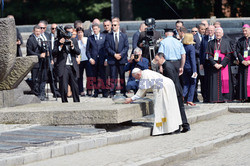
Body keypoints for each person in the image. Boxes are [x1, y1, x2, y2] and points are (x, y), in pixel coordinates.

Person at [125, 68, 182, 136]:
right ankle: (175, 127)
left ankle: (162, 129)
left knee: (161, 109)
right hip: (168, 84)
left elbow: (141, 91)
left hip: (162, 88)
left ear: (138, 74)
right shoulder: (146, 72)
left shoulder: (144, 76)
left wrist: (131, 99)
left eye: (136, 77)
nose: (137, 79)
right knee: (171, 107)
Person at [154, 53, 190, 133]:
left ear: (162, 58)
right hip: (177, 90)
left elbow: (171, 81)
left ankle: (179, 127)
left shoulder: (167, 67)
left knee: (177, 109)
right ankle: (184, 125)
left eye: (157, 60)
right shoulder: (167, 65)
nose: (157, 62)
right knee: (180, 109)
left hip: (175, 91)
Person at [53, 25, 81, 103]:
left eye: (71, 33)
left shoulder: (74, 40)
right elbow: (54, 52)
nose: (69, 34)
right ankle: (64, 102)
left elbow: (78, 52)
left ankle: (76, 101)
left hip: (72, 65)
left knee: (75, 86)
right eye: (68, 32)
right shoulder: (58, 41)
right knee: (63, 86)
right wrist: (60, 45)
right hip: (63, 66)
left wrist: (72, 46)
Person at [205, 27, 234, 102]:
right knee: (215, 82)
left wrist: (221, 64)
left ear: (222, 34)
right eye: (216, 33)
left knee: (225, 81)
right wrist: (214, 64)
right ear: (214, 33)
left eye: (219, 33)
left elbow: (228, 55)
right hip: (214, 66)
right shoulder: (210, 43)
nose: (217, 34)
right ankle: (216, 98)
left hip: (224, 66)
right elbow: (209, 55)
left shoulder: (226, 42)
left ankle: (225, 98)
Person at [105, 18, 129, 98]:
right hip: (112, 59)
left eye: (115, 25)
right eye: (112, 25)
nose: (113, 26)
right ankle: (112, 92)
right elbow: (107, 47)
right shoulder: (108, 36)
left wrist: (121, 54)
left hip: (121, 59)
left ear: (118, 25)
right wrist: (114, 54)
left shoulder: (124, 35)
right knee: (113, 76)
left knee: (122, 76)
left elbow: (126, 47)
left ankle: (123, 91)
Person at [86, 23, 108, 98]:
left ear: (99, 29)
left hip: (102, 60)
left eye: (96, 29)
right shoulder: (90, 38)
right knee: (94, 77)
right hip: (94, 60)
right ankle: (96, 91)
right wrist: (90, 58)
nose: (95, 30)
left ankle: (105, 92)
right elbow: (87, 50)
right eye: (93, 29)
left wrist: (106, 59)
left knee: (103, 76)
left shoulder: (104, 37)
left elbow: (106, 49)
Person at [26, 25, 47, 100]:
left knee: (42, 78)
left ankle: (42, 94)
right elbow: (29, 51)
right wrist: (39, 55)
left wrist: (45, 52)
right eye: (36, 31)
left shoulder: (41, 39)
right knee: (35, 79)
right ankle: (36, 94)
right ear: (33, 31)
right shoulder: (30, 39)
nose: (38, 33)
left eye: (39, 31)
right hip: (35, 62)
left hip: (42, 62)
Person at [199, 25, 215, 102]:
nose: (210, 32)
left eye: (212, 30)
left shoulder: (216, 38)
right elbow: (201, 51)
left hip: (215, 62)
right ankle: (206, 97)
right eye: (209, 30)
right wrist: (201, 63)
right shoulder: (204, 39)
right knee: (206, 80)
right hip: (206, 62)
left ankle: (213, 96)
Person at [236, 24, 250, 101]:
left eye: (246, 31)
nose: (244, 32)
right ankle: (245, 97)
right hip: (243, 64)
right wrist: (242, 61)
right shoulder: (240, 40)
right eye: (243, 31)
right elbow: (238, 52)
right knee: (243, 81)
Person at [182, 33, 197, 106]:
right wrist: (194, 71)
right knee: (193, 83)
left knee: (186, 83)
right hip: (190, 67)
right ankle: (190, 99)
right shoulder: (191, 47)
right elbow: (192, 59)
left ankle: (183, 95)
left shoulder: (182, 46)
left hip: (184, 67)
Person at [193, 23, 206, 102]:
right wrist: (201, 53)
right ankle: (195, 97)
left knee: (204, 81)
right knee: (196, 80)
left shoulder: (206, 37)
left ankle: (205, 97)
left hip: (204, 62)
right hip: (196, 61)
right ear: (198, 29)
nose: (203, 31)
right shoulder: (194, 37)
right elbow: (193, 49)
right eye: (202, 29)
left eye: (204, 29)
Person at [76, 27, 90, 97]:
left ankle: (89, 90)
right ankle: (81, 90)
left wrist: (82, 41)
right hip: (80, 60)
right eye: (79, 32)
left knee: (88, 75)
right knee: (80, 76)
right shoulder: (76, 41)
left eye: (81, 32)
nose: (80, 34)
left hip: (86, 59)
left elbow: (87, 48)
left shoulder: (86, 39)